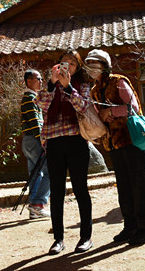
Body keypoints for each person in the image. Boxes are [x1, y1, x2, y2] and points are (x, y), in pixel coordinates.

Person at [87, 49, 145, 247]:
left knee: (138, 183)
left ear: (104, 64)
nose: (90, 67)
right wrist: (101, 116)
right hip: (112, 142)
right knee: (123, 184)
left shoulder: (119, 81)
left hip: (130, 138)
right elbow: (99, 115)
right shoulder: (94, 90)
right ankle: (130, 225)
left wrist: (110, 111)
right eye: (88, 63)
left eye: (95, 63)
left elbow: (133, 107)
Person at [35, 50, 93, 255]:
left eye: (72, 63)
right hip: (53, 141)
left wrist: (68, 87)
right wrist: (52, 83)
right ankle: (58, 239)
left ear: (77, 68)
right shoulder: (51, 86)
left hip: (76, 140)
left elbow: (83, 106)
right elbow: (40, 104)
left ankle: (86, 237)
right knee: (57, 192)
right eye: (63, 62)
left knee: (80, 189)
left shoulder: (82, 85)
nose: (67, 66)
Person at [20, 69, 50, 219]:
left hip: (28, 140)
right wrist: (43, 141)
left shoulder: (31, 97)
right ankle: (38, 204)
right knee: (49, 171)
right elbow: (35, 123)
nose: (40, 81)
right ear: (29, 81)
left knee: (35, 174)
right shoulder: (30, 98)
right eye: (37, 79)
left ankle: (34, 208)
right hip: (34, 139)